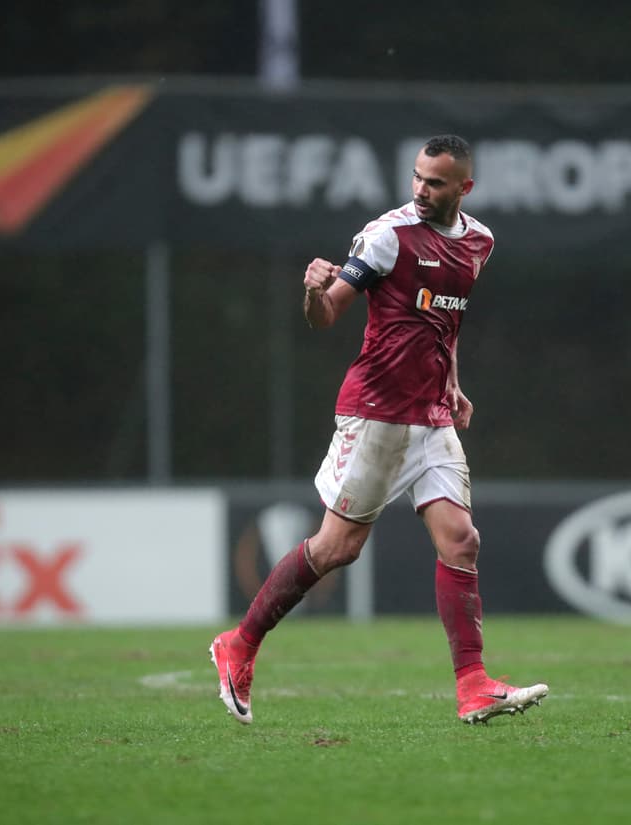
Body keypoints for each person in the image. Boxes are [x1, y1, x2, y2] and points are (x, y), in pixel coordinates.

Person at [210, 135, 548, 725]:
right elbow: (329, 314)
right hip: (376, 413)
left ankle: (472, 686)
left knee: (461, 540)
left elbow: (447, 322)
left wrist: (453, 382)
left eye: (435, 182)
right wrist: (315, 290)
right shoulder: (387, 236)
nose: (421, 189)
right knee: (337, 547)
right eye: (417, 177)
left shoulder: (479, 242)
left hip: (431, 416)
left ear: (463, 188)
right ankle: (239, 644)